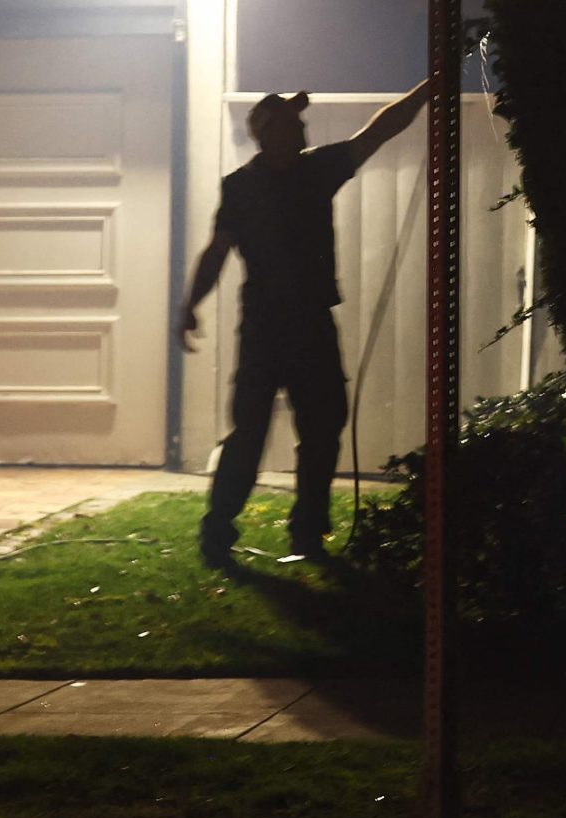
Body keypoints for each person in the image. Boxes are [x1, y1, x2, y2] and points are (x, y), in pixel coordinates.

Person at [183, 83, 427, 567]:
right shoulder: (242, 186)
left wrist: (428, 89)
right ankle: (217, 534)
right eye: (293, 123)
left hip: (311, 323)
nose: (302, 128)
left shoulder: (318, 169)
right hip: (266, 328)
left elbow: (379, 130)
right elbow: (217, 250)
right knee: (248, 433)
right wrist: (190, 303)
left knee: (322, 429)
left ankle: (307, 532)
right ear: (268, 132)